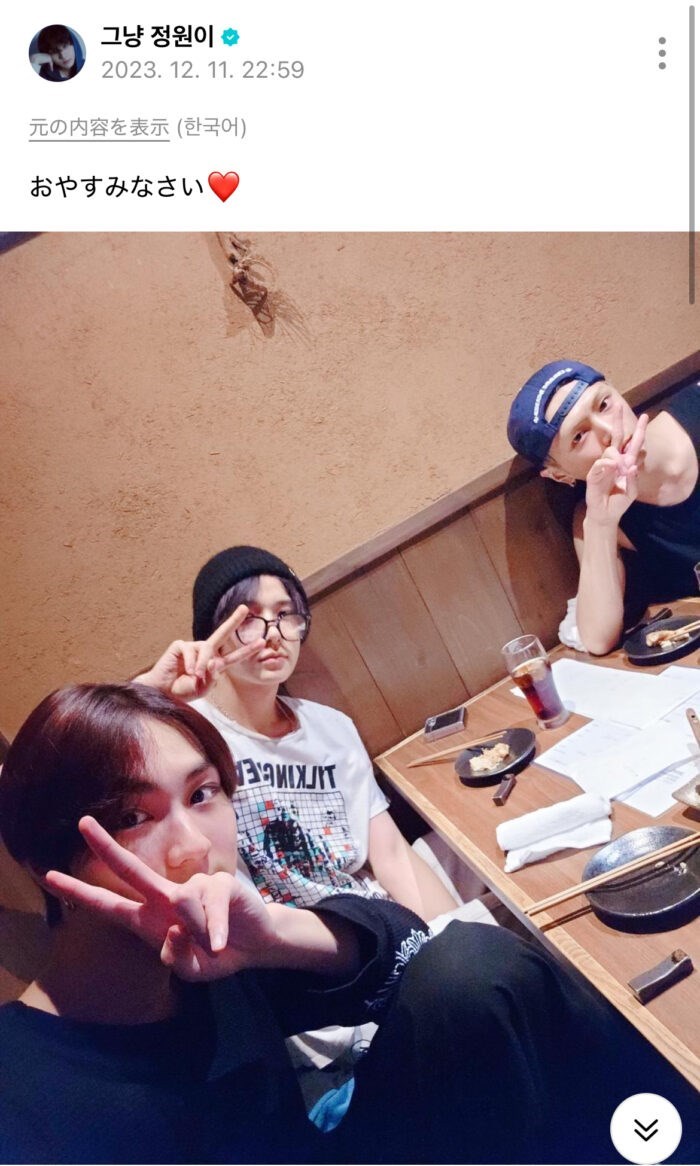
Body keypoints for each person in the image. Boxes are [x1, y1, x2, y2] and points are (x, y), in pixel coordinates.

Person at [1, 682, 697, 1165]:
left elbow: (405, 944)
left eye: (202, 793)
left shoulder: (206, 959)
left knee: (476, 965)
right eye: (132, 817)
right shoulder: (24, 1098)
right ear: (40, 858)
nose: (192, 846)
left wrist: (276, 936)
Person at [136, 546, 467, 922]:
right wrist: (149, 693)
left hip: (372, 914)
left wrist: (453, 934)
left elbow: (390, 854)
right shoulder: (184, 739)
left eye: (284, 615)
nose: (273, 634)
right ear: (214, 637)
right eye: (249, 619)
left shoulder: (332, 727)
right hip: (282, 937)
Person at [507, 361, 700, 654]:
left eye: (604, 404)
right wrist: (602, 522)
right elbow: (598, 639)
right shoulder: (598, 518)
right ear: (560, 475)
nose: (609, 430)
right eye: (579, 436)